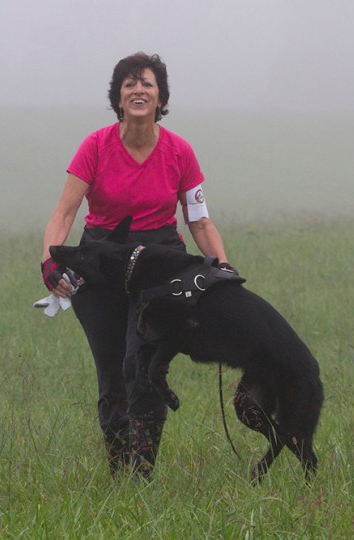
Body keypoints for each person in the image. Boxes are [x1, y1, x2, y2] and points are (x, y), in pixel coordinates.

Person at [40, 52, 231, 478]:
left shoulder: (180, 151)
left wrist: (223, 268)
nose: (138, 90)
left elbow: (200, 222)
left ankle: (142, 473)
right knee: (113, 370)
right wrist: (49, 264)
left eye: (147, 83)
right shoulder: (95, 146)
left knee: (144, 366)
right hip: (101, 264)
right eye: (129, 84)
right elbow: (64, 214)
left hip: (158, 269)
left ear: (160, 96)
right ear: (118, 97)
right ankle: (119, 470)